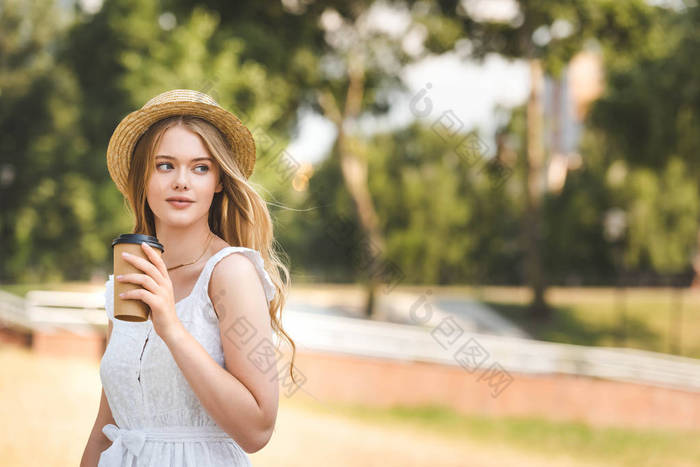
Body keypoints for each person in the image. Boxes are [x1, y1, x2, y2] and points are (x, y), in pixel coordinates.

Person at [80, 89, 297, 466]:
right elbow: (107, 425)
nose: (182, 181)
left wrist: (172, 327)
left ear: (218, 181)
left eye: (200, 167)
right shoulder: (129, 277)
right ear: (142, 176)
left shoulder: (231, 274)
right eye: (165, 165)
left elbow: (258, 429)